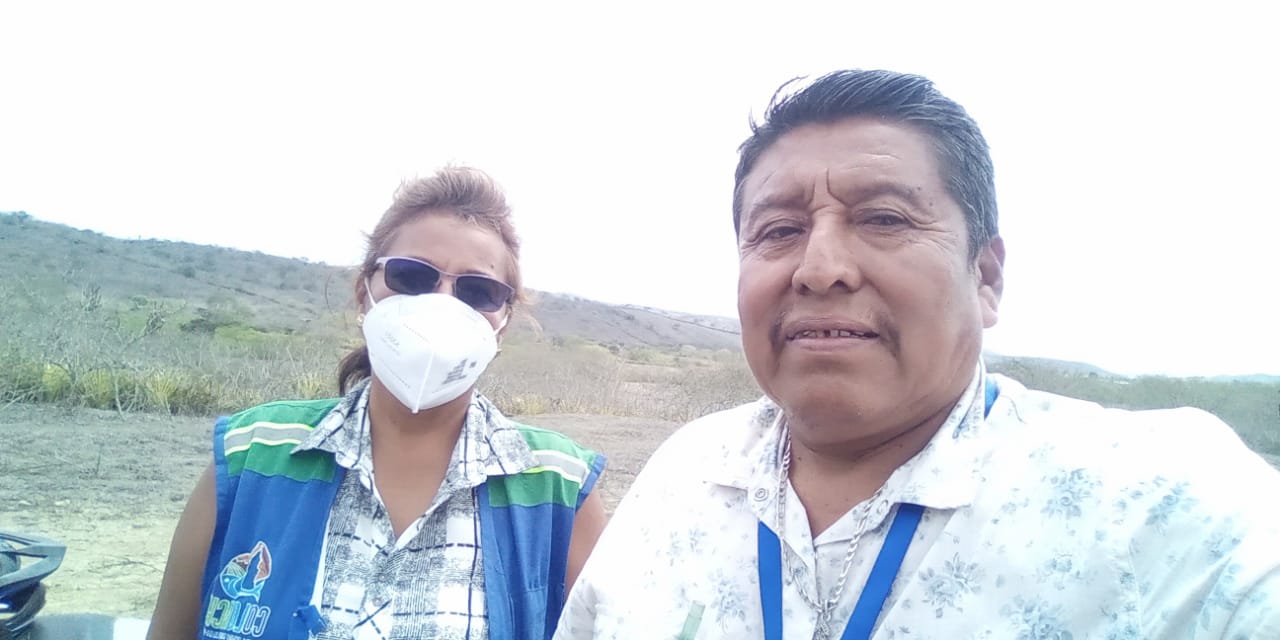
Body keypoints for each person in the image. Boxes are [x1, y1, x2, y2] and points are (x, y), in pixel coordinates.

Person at [555, 70, 1280, 639]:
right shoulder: (685, 474)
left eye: (883, 218)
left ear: (985, 276)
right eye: (778, 231)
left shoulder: (1159, 503)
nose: (819, 268)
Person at [149, 166, 608, 640]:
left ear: (503, 322)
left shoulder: (561, 488)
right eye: (412, 276)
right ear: (364, 294)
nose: (443, 304)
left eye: (479, 291)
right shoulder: (249, 455)